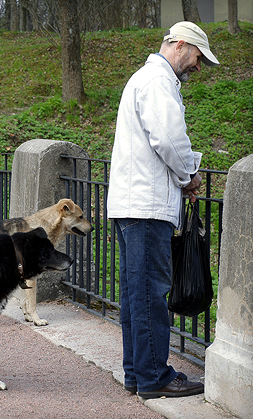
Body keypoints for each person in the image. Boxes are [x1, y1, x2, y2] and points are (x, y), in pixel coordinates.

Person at [107, 22, 219, 399]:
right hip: (146, 206)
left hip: (132, 203)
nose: (198, 66)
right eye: (199, 57)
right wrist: (189, 175)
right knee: (151, 292)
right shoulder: (157, 81)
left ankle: (137, 373)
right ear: (181, 45)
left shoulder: (146, 78)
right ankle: (154, 375)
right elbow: (169, 139)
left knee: (135, 293)